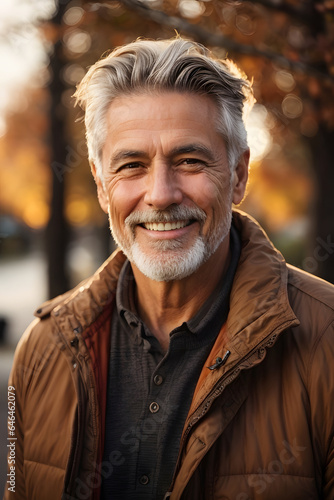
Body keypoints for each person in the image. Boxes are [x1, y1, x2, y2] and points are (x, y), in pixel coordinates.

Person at [4, 37, 334, 500]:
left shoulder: (328, 341)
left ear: (238, 176)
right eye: (132, 165)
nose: (160, 194)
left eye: (189, 161)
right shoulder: (41, 350)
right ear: (102, 186)